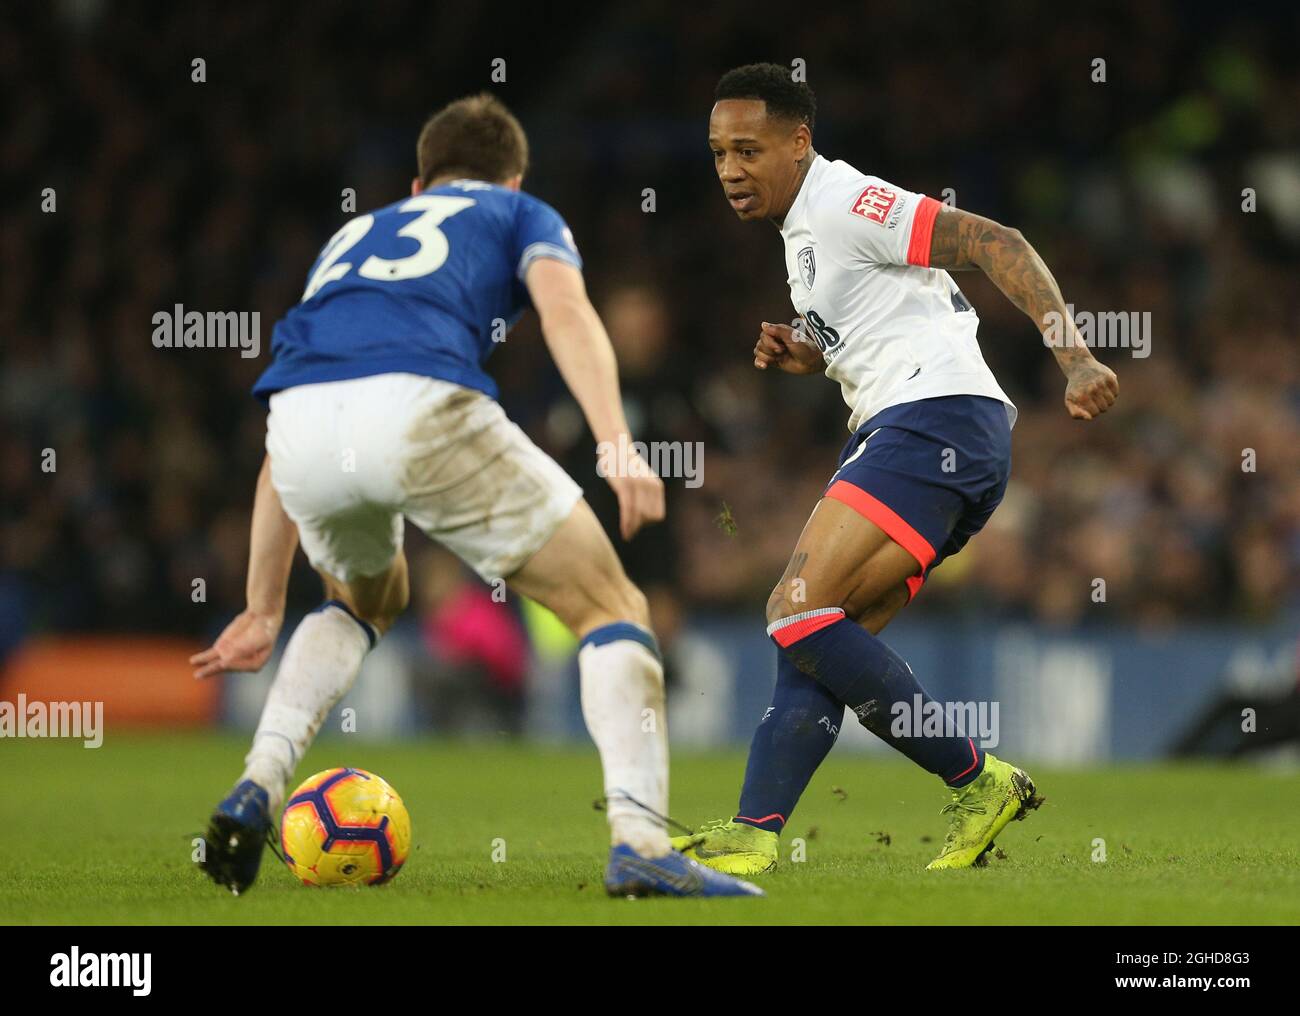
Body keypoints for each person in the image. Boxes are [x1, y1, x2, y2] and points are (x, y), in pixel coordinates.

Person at [191, 93, 760, 898]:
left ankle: (256, 784)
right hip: (422, 405)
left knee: (362, 599)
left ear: (418, 184)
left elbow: (289, 414)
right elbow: (566, 310)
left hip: (301, 429)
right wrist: (617, 443)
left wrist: (259, 605)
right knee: (613, 606)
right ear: (513, 178)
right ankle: (639, 841)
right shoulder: (520, 213)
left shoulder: (351, 237)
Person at [675, 64, 1118, 873]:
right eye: (716, 154)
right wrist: (810, 352)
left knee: (795, 610)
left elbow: (997, 243)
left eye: (748, 149)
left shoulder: (846, 202)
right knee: (811, 638)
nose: (731, 170)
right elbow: (891, 324)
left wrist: (1077, 358)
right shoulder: (803, 229)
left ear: (799, 141)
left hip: (933, 420)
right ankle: (755, 831)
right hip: (939, 430)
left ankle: (978, 779)